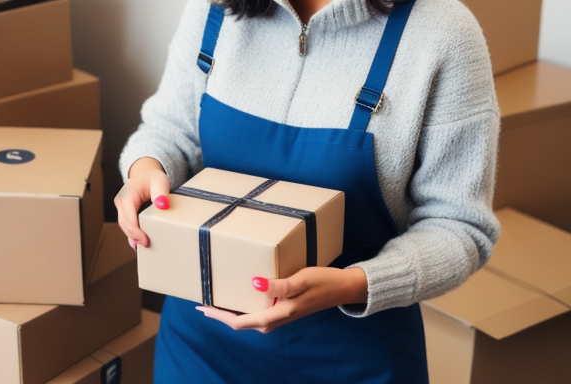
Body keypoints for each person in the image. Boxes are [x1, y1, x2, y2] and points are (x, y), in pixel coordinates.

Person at [115, 0, 500, 382]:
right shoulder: (214, 10)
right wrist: (146, 168)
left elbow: (459, 226)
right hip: (200, 345)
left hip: (352, 357)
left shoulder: (443, 33)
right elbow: (169, 131)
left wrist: (353, 284)